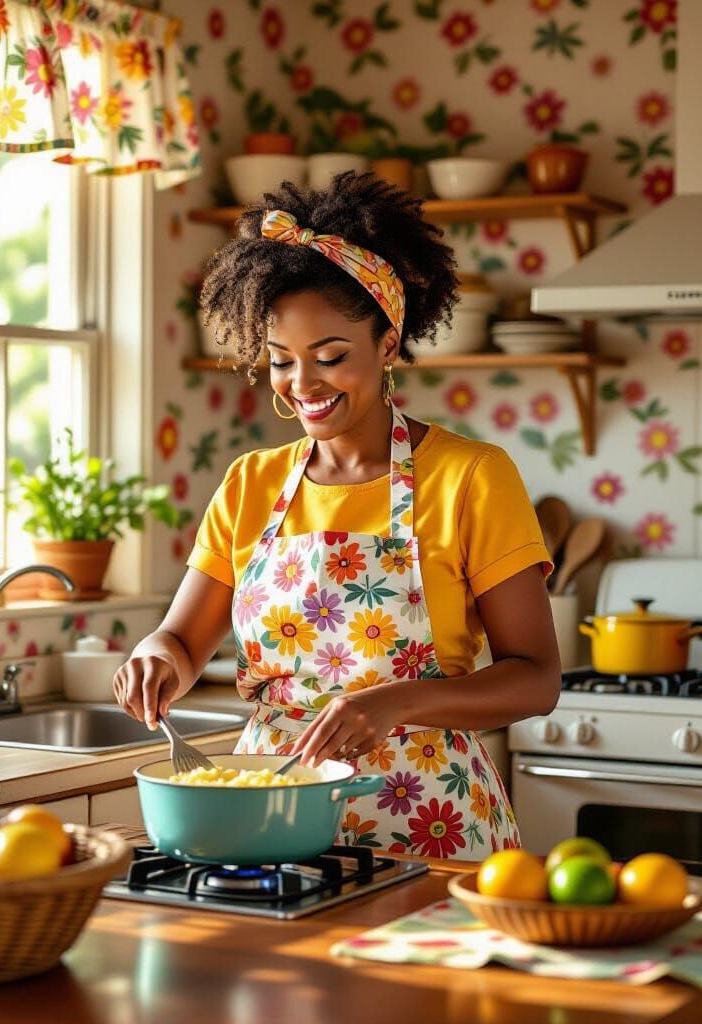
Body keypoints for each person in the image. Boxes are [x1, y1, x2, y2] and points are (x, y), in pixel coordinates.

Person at [114, 172, 560, 858]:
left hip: (425, 821)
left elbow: (536, 677)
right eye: (282, 362)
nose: (303, 385)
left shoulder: (471, 476)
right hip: (270, 819)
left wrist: (395, 703)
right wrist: (154, 660)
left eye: (330, 357)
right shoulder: (250, 483)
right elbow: (181, 641)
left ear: (387, 345)